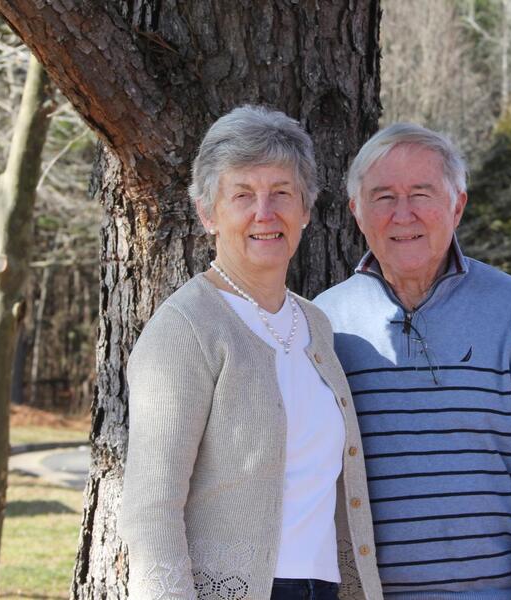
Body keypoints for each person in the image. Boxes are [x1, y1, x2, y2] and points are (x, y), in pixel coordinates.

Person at [314, 124, 511, 600]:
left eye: (422, 193)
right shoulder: (323, 322)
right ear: (356, 212)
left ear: (457, 205)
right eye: (383, 197)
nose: (404, 215)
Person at [118, 105, 383, 600]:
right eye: (243, 195)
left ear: (305, 209)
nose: (265, 212)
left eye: (282, 193)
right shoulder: (186, 328)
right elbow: (151, 507)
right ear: (208, 213)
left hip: (324, 587)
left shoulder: (316, 326)